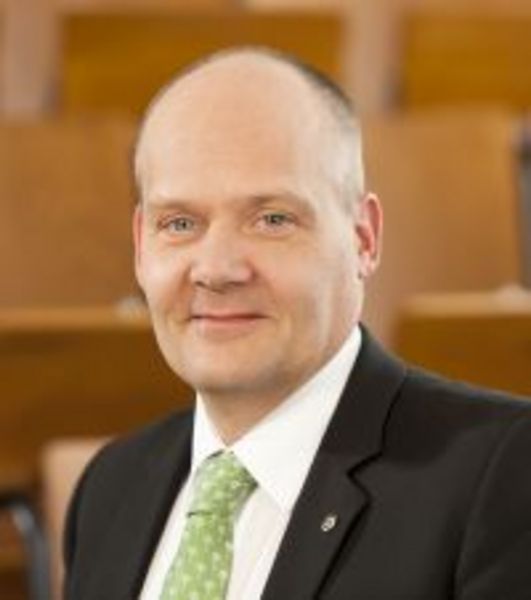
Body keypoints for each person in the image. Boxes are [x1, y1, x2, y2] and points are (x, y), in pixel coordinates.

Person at [63, 47, 531, 600]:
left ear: (363, 238)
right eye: (180, 223)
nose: (216, 269)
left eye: (272, 219)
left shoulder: (502, 473)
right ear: (141, 247)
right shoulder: (110, 487)